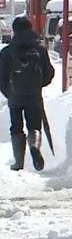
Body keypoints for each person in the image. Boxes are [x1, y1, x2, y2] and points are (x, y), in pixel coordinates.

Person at [0, 16, 55, 171]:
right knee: (34, 126)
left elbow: (1, 76)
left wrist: (9, 93)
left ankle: (18, 162)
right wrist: (38, 85)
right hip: (34, 96)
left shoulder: (7, 51)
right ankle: (34, 147)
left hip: (15, 96)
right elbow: (49, 73)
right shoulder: (40, 50)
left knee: (16, 127)